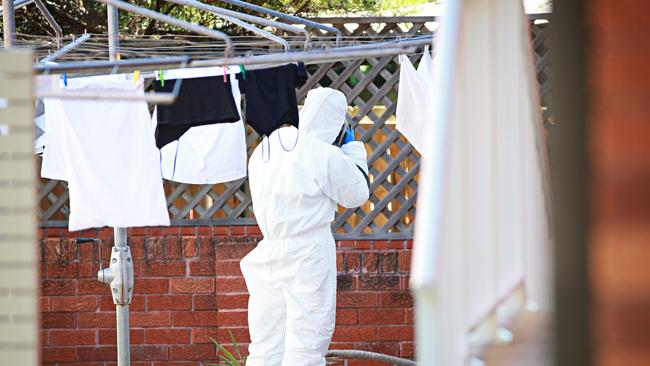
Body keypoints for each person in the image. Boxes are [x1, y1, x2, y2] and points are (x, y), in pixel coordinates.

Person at [241, 87, 370, 366]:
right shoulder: (323, 154)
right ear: (338, 123)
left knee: (265, 342)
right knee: (307, 342)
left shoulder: (269, 147)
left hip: (269, 252)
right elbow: (357, 193)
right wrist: (352, 148)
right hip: (309, 254)